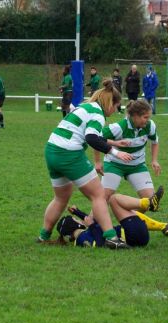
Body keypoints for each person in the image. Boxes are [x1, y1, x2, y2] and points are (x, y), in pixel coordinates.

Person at [39, 79, 136, 249]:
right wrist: (115, 152)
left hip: (52, 150)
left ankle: (43, 236)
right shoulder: (98, 115)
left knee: (61, 197)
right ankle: (112, 238)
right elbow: (91, 138)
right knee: (98, 194)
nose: (114, 111)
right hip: (68, 154)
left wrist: (113, 143)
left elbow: (86, 134)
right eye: (116, 107)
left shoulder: (84, 107)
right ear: (110, 103)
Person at [95, 99, 161, 200]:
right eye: (145, 117)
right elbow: (96, 139)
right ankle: (90, 217)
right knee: (104, 197)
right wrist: (97, 162)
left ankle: (126, 215)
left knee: (150, 201)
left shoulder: (150, 125)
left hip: (137, 165)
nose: (148, 120)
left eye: (149, 117)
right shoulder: (119, 127)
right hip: (114, 164)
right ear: (134, 116)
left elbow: (155, 142)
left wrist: (154, 160)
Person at [57, 196, 168, 247]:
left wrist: (77, 212)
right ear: (73, 225)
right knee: (114, 200)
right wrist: (92, 225)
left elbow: (92, 222)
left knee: (129, 212)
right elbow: (100, 242)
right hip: (132, 236)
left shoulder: (81, 236)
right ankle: (148, 203)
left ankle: (164, 226)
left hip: (135, 237)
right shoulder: (82, 239)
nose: (79, 220)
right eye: (76, 219)